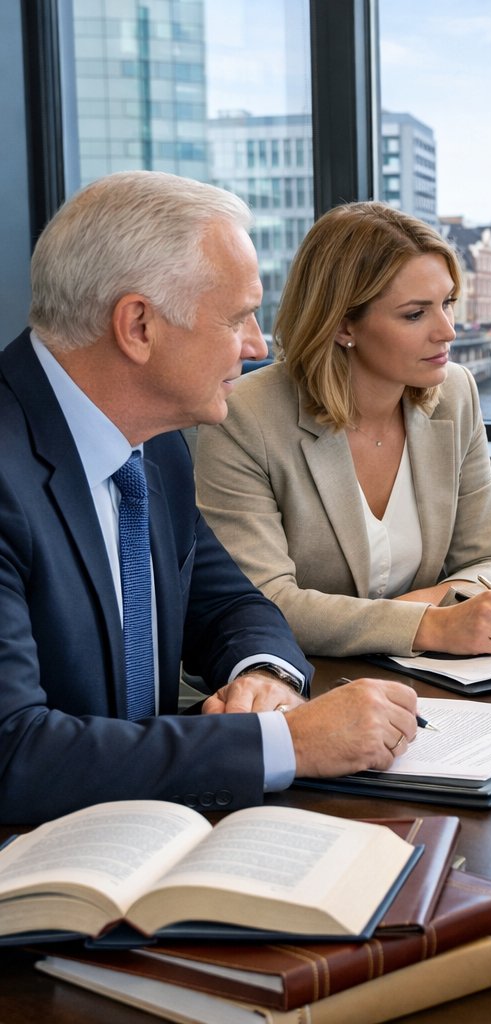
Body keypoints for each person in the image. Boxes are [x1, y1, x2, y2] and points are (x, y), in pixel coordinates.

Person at [0, 171, 420, 824]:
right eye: (237, 317)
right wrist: (286, 740)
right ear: (138, 325)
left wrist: (265, 678)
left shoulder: (154, 444)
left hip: (140, 833)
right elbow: (13, 755)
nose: (258, 345)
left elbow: (231, 605)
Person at [195, 202, 491, 658]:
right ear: (342, 324)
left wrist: (425, 615)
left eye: (447, 303)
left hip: (431, 680)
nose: (448, 332)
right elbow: (263, 605)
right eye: (415, 314)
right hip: (300, 687)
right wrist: (429, 624)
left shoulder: (456, 392)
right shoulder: (246, 416)